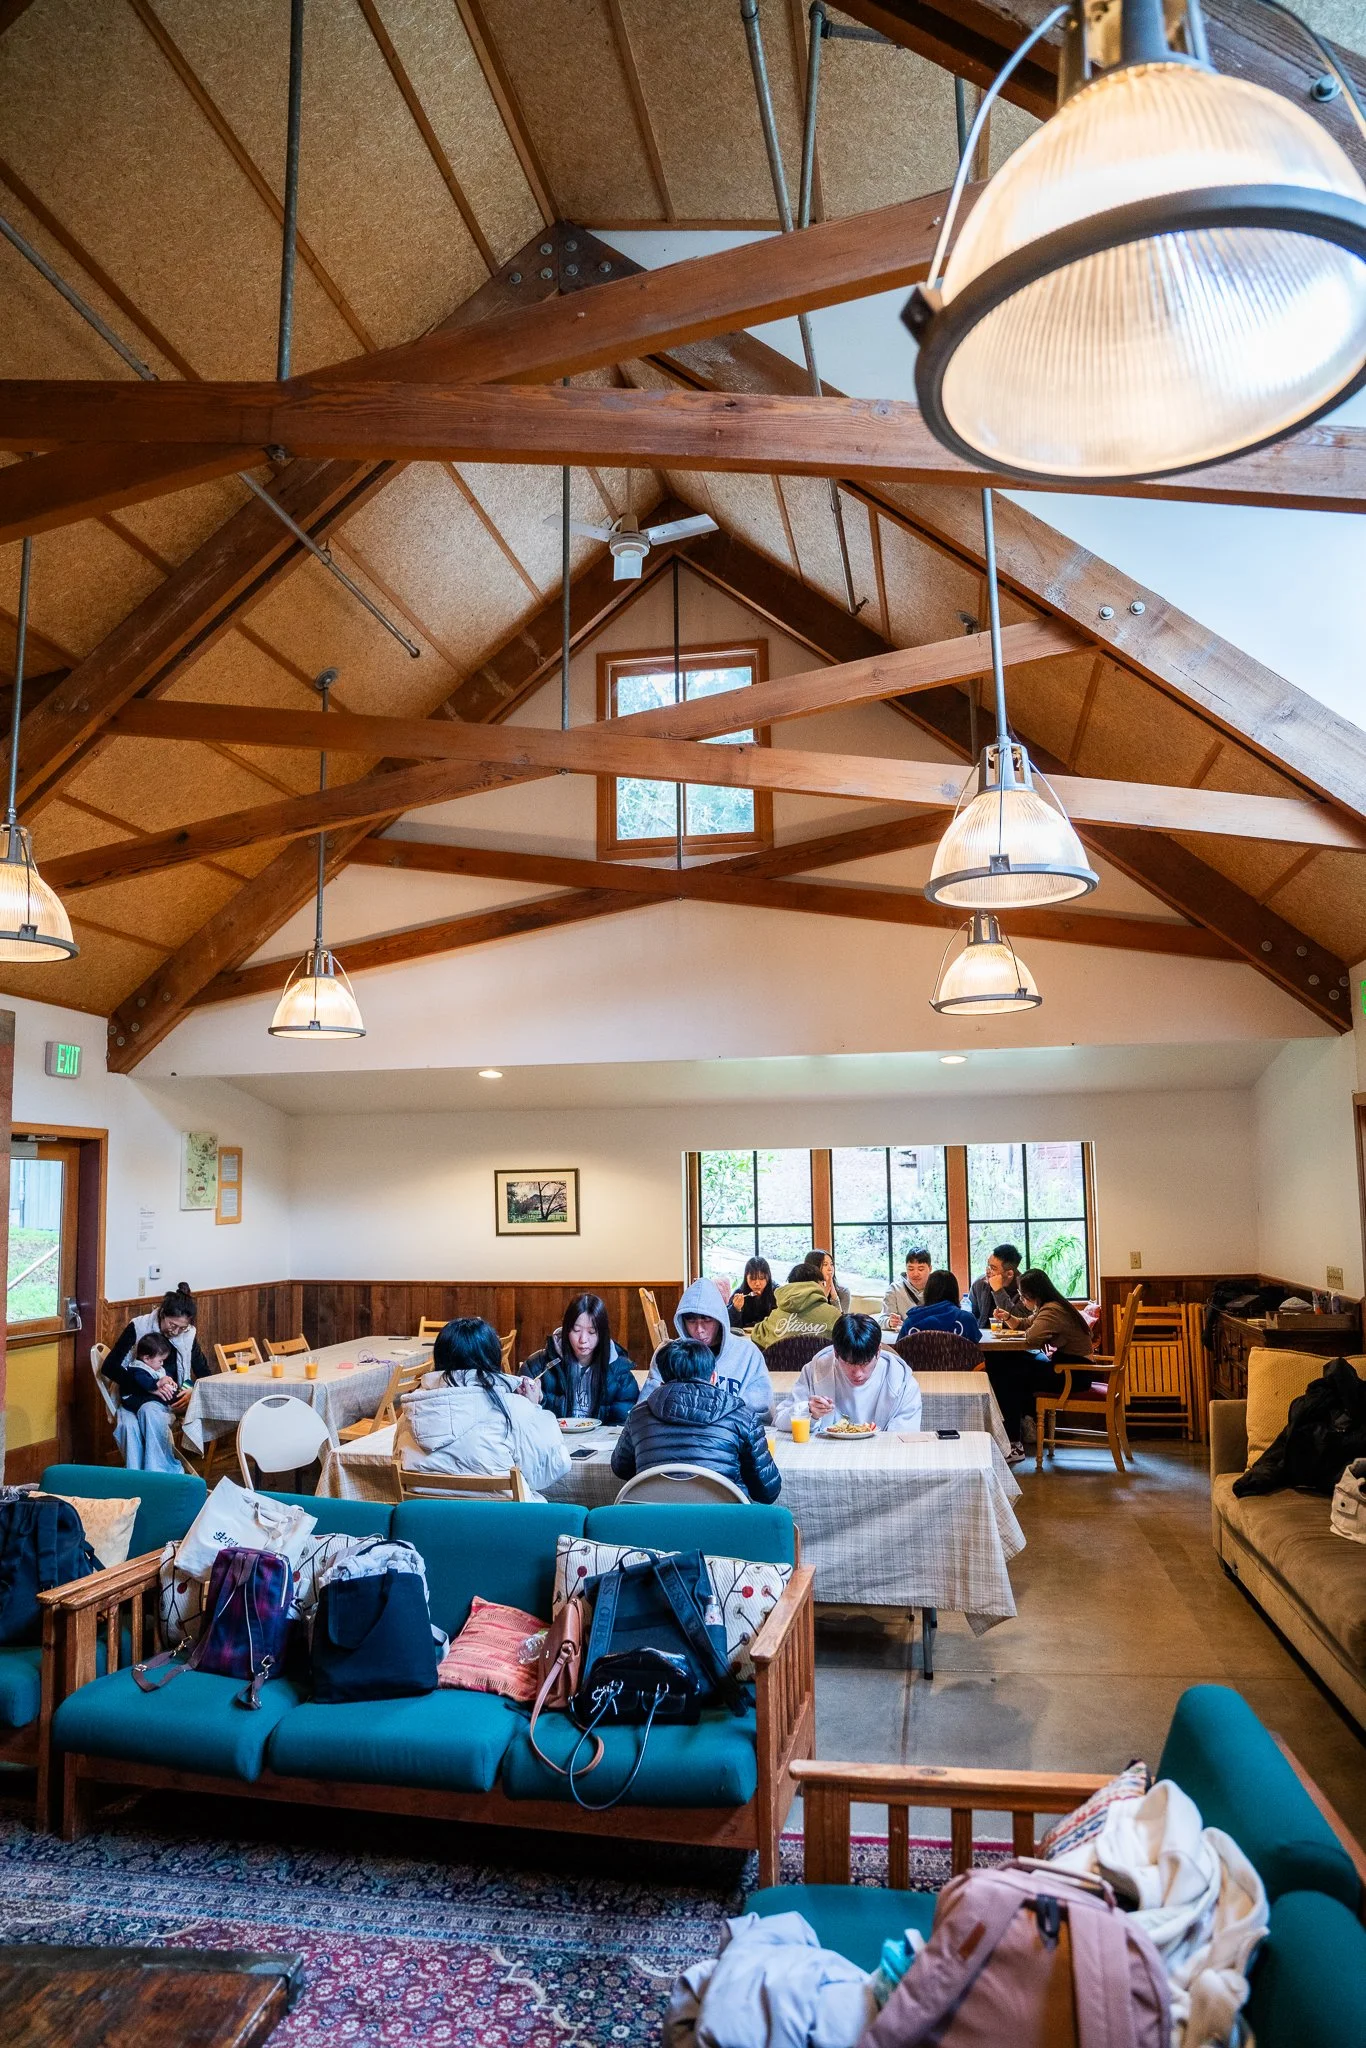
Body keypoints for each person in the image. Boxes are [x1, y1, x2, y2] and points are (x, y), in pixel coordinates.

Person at [395, 1316, 571, 1500]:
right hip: (506, 1523)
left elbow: (398, 1460)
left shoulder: (410, 1411)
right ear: (493, 1358)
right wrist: (532, 1408)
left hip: (427, 1524)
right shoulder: (514, 1408)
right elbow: (551, 1469)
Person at [611, 1337, 781, 1503]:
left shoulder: (638, 1416)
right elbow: (767, 1492)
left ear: (662, 1382)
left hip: (654, 1524)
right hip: (724, 1524)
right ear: (714, 1378)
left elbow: (621, 1468)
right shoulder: (743, 1418)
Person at [102, 1281, 212, 1472]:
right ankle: (137, 1478)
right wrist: (150, 1386)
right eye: (172, 1324)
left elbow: (202, 1373)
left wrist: (190, 1391)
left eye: (182, 1328)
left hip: (168, 1400)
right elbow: (110, 1367)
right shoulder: (139, 1326)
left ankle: (158, 1473)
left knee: (149, 1412)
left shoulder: (188, 1336)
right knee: (128, 1426)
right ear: (161, 1313)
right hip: (133, 1395)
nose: (175, 1332)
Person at [986, 1266, 1096, 1453]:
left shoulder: (1052, 1310)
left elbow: (1031, 1339)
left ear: (1032, 1294)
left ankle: (1012, 1441)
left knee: (1007, 1375)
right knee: (1005, 1367)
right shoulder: (1050, 1305)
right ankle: (1014, 1434)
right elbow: (1024, 1324)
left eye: (1022, 1296)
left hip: (1073, 1374)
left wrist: (1020, 1330)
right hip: (1067, 1368)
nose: (1021, 1299)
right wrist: (1008, 1317)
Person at [641, 1277, 773, 1418]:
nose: (699, 1329)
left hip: (732, 1436)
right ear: (682, 1321)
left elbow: (762, 1410)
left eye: (707, 1319)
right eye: (691, 1320)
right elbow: (645, 1407)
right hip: (678, 1434)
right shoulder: (669, 1355)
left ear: (719, 1318)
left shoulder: (748, 1354)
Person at [775, 1313, 923, 1435]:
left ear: (878, 1351)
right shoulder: (817, 1370)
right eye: (849, 1363)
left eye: (865, 1363)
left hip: (879, 1458)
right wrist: (808, 1411)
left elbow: (903, 1436)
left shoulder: (900, 1380)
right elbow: (780, 1420)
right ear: (836, 1353)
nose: (858, 1374)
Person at [522, 1294, 638, 1423]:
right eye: (576, 1330)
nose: (583, 1340)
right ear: (566, 1330)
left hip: (601, 1442)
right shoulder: (537, 1367)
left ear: (603, 1334)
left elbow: (623, 1424)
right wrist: (536, 1401)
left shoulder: (620, 1372)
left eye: (592, 1332)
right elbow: (522, 1421)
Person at [747, 1261, 843, 1352]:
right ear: (818, 1284)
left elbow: (756, 1337)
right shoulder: (833, 1316)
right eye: (823, 1284)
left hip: (779, 1369)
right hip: (821, 1369)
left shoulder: (774, 1317)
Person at [896, 1270, 982, 1345]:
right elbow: (975, 1347)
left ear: (927, 1291)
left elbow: (899, 1349)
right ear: (955, 1292)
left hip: (917, 1364)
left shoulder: (911, 1321)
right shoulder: (966, 1319)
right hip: (959, 1364)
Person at [970, 1244, 1025, 1325]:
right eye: (988, 1265)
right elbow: (975, 1316)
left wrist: (998, 1291)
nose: (987, 1271)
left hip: (1015, 1336)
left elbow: (1020, 1322)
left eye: (993, 1268)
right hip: (985, 1335)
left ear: (1009, 1274)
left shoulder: (1025, 1288)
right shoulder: (980, 1284)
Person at [883, 1247, 933, 1325]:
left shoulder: (939, 1289)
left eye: (920, 1269)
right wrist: (890, 1322)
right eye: (911, 1269)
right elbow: (882, 1319)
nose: (915, 1274)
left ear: (930, 1269)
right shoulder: (894, 1289)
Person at [729, 1257, 777, 1329]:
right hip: (744, 1337)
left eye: (761, 1278)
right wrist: (736, 1309)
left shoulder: (776, 1293)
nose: (757, 1283)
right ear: (746, 1277)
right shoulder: (739, 1293)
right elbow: (729, 1325)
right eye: (753, 1278)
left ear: (768, 1277)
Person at [805, 1248, 850, 1314]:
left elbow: (842, 1323)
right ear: (814, 1267)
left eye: (831, 1264)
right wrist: (823, 1297)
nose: (830, 1268)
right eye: (825, 1264)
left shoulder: (843, 1292)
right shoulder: (803, 1291)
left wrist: (834, 1298)